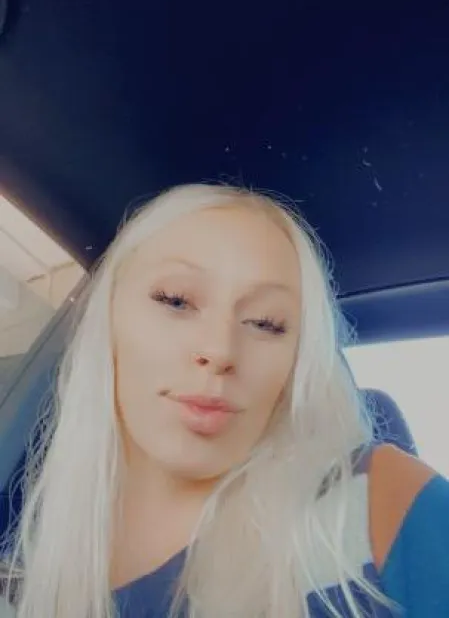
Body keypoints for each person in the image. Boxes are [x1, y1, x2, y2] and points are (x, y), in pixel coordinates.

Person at [2, 183, 449, 617]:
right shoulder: (37, 564)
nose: (219, 350)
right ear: (107, 322)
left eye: (266, 323)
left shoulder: (375, 509)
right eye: (176, 300)